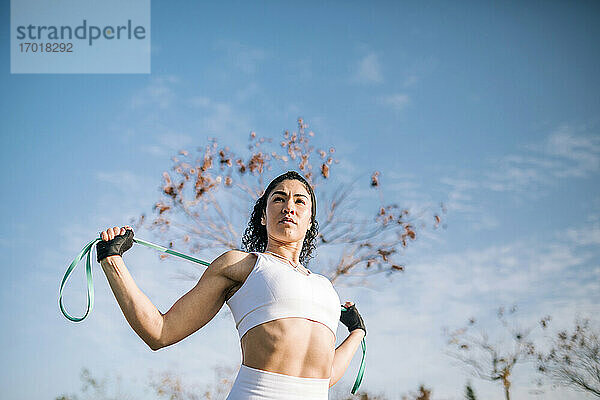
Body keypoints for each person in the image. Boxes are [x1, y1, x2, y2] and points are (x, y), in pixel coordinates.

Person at [97, 171, 367, 400]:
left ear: (309, 222)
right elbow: (160, 332)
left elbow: (325, 375)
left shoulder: (326, 289)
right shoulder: (240, 265)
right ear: (263, 216)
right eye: (278, 199)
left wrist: (356, 332)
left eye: (300, 201)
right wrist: (112, 259)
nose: (289, 207)